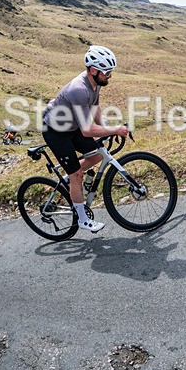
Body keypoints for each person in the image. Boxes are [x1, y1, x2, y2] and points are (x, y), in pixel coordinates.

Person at [41, 45, 128, 233]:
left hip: (72, 127)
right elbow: (88, 130)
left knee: (98, 155)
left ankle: (69, 180)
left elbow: (95, 108)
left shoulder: (95, 83)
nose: (109, 76)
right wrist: (114, 130)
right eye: (107, 72)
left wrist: (106, 128)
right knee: (77, 175)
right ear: (93, 70)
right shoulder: (78, 89)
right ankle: (82, 219)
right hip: (55, 131)